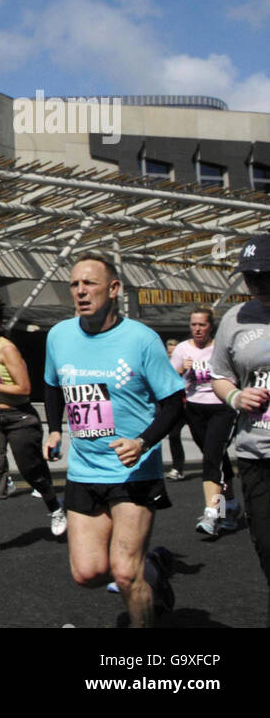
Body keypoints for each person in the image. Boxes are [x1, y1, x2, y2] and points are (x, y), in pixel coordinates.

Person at [42, 254, 185, 627]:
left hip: (133, 471)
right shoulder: (59, 335)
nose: (80, 291)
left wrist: (142, 441)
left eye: (89, 283)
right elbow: (52, 385)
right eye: (74, 284)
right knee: (87, 574)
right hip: (85, 470)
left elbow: (173, 404)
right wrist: (54, 427)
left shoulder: (142, 340)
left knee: (125, 574)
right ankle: (153, 568)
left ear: (114, 289)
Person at [0, 296, 65, 553]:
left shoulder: (7, 349)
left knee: (32, 471)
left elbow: (25, 389)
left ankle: (56, 508)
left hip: (19, 416)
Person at [209, 233, 270, 623]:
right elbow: (220, 376)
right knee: (267, 546)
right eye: (250, 277)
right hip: (257, 454)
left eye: (265, 275)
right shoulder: (234, 319)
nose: (257, 284)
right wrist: (236, 398)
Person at [172, 307, 242, 536]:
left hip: (221, 408)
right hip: (194, 409)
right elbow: (169, 379)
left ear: (211, 326)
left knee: (212, 457)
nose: (197, 329)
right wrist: (183, 369)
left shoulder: (220, 348)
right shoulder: (182, 349)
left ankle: (211, 514)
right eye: (193, 325)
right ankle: (229, 506)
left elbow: (236, 375)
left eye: (202, 324)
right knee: (217, 460)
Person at [163, 338, 188, 480]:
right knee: (174, 435)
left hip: (191, 402)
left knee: (202, 436)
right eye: (169, 348)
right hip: (176, 404)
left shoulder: (187, 361)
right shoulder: (164, 364)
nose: (172, 351)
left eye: (174, 348)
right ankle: (177, 468)